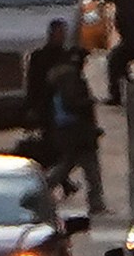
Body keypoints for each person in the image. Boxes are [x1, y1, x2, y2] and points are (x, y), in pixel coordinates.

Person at [45, 49, 105, 212]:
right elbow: (73, 103)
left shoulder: (62, 77)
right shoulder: (71, 78)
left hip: (68, 129)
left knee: (68, 164)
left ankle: (41, 190)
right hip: (78, 130)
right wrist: (88, 103)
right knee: (89, 166)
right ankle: (96, 203)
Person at [25, 18, 68, 152]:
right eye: (60, 32)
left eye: (64, 32)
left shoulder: (68, 56)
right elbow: (33, 84)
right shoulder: (40, 57)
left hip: (65, 108)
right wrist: (32, 108)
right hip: (47, 107)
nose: (63, 36)